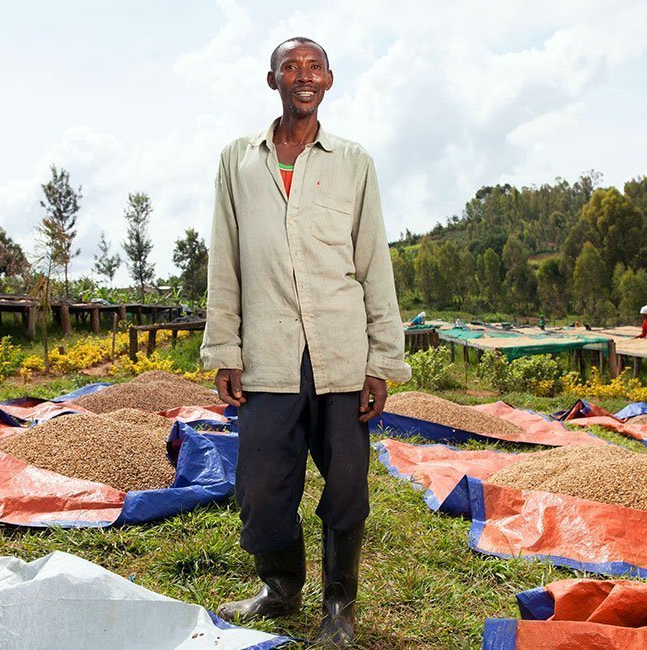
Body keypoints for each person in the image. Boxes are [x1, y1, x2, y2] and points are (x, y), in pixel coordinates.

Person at [200, 37, 410, 645]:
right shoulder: (238, 161)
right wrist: (225, 350)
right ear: (273, 81)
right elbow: (226, 262)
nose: (303, 76)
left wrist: (381, 361)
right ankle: (280, 587)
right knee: (261, 490)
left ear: (329, 80)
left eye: (313, 67)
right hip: (267, 354)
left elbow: (373, 263)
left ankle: (339, 606)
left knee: (346, 488)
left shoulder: (352, 162)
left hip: (341, 354)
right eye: (290, 67)